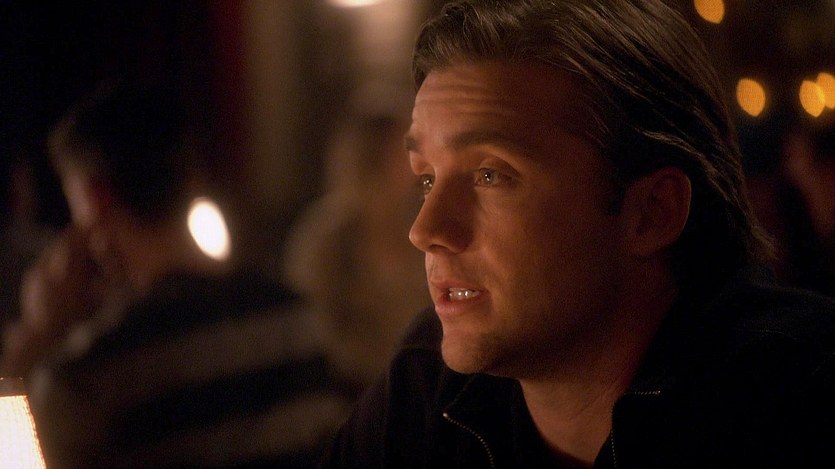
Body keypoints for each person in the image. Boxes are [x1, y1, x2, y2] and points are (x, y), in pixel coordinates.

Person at [320, 1, 835, 467]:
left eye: (490, 175)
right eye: (427, 178)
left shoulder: (802, 402)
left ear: (652, 213)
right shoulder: (427, 384)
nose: (425, 230)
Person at [3, 80, 352, 468]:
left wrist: (34, 339)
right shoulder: (294, 316)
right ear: (190, 181)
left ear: (96, 201)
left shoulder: (85, 379)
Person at [283, 83, 429, 392]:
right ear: (373, 155)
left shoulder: (418, 228)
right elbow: (313, 326)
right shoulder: (326, 238)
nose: (416, 161)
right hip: (350, 392)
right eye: (405, 149)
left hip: (418, 388)